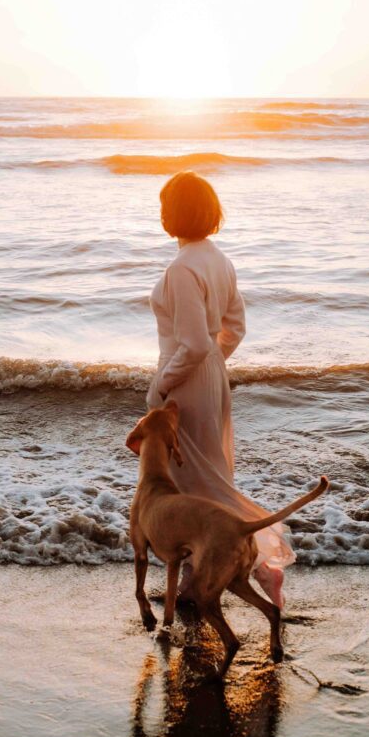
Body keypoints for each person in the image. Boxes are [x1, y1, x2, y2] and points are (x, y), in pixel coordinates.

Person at [146, 171, 293, 607]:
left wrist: (161, 386)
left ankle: (254, 569)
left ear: (174, 214)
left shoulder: (182, 268)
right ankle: (237, 571)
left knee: (193, 486)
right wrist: (214, 364)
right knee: (209, 479)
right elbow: (235, 328)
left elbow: (190, 344)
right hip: (210, 378)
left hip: (186, 383)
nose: (160, 213)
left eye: (163, 206)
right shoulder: (219, 260)